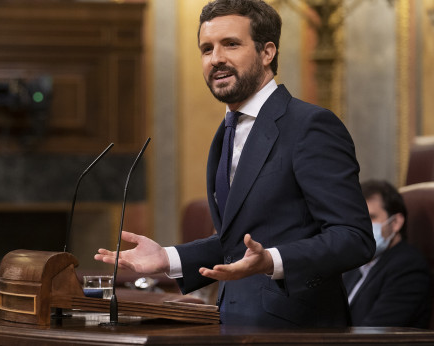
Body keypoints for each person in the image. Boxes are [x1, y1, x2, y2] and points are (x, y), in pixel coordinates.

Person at [95, 0, 375, 327]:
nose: (216, 59)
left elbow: (354, 238)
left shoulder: (310, 125)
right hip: (234, 322)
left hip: (296, 329)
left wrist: (272, 260)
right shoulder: (227, 130)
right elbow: (238, 243)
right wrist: (167, 259)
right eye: (206, 48)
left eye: (231, 44)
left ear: (267, 52)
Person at [343, 179, 431, 328]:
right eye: (358, 218)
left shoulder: (408, 267)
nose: (361, 226)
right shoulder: (355, 264)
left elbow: (375, 334)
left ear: (395, 222)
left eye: (371, 217)